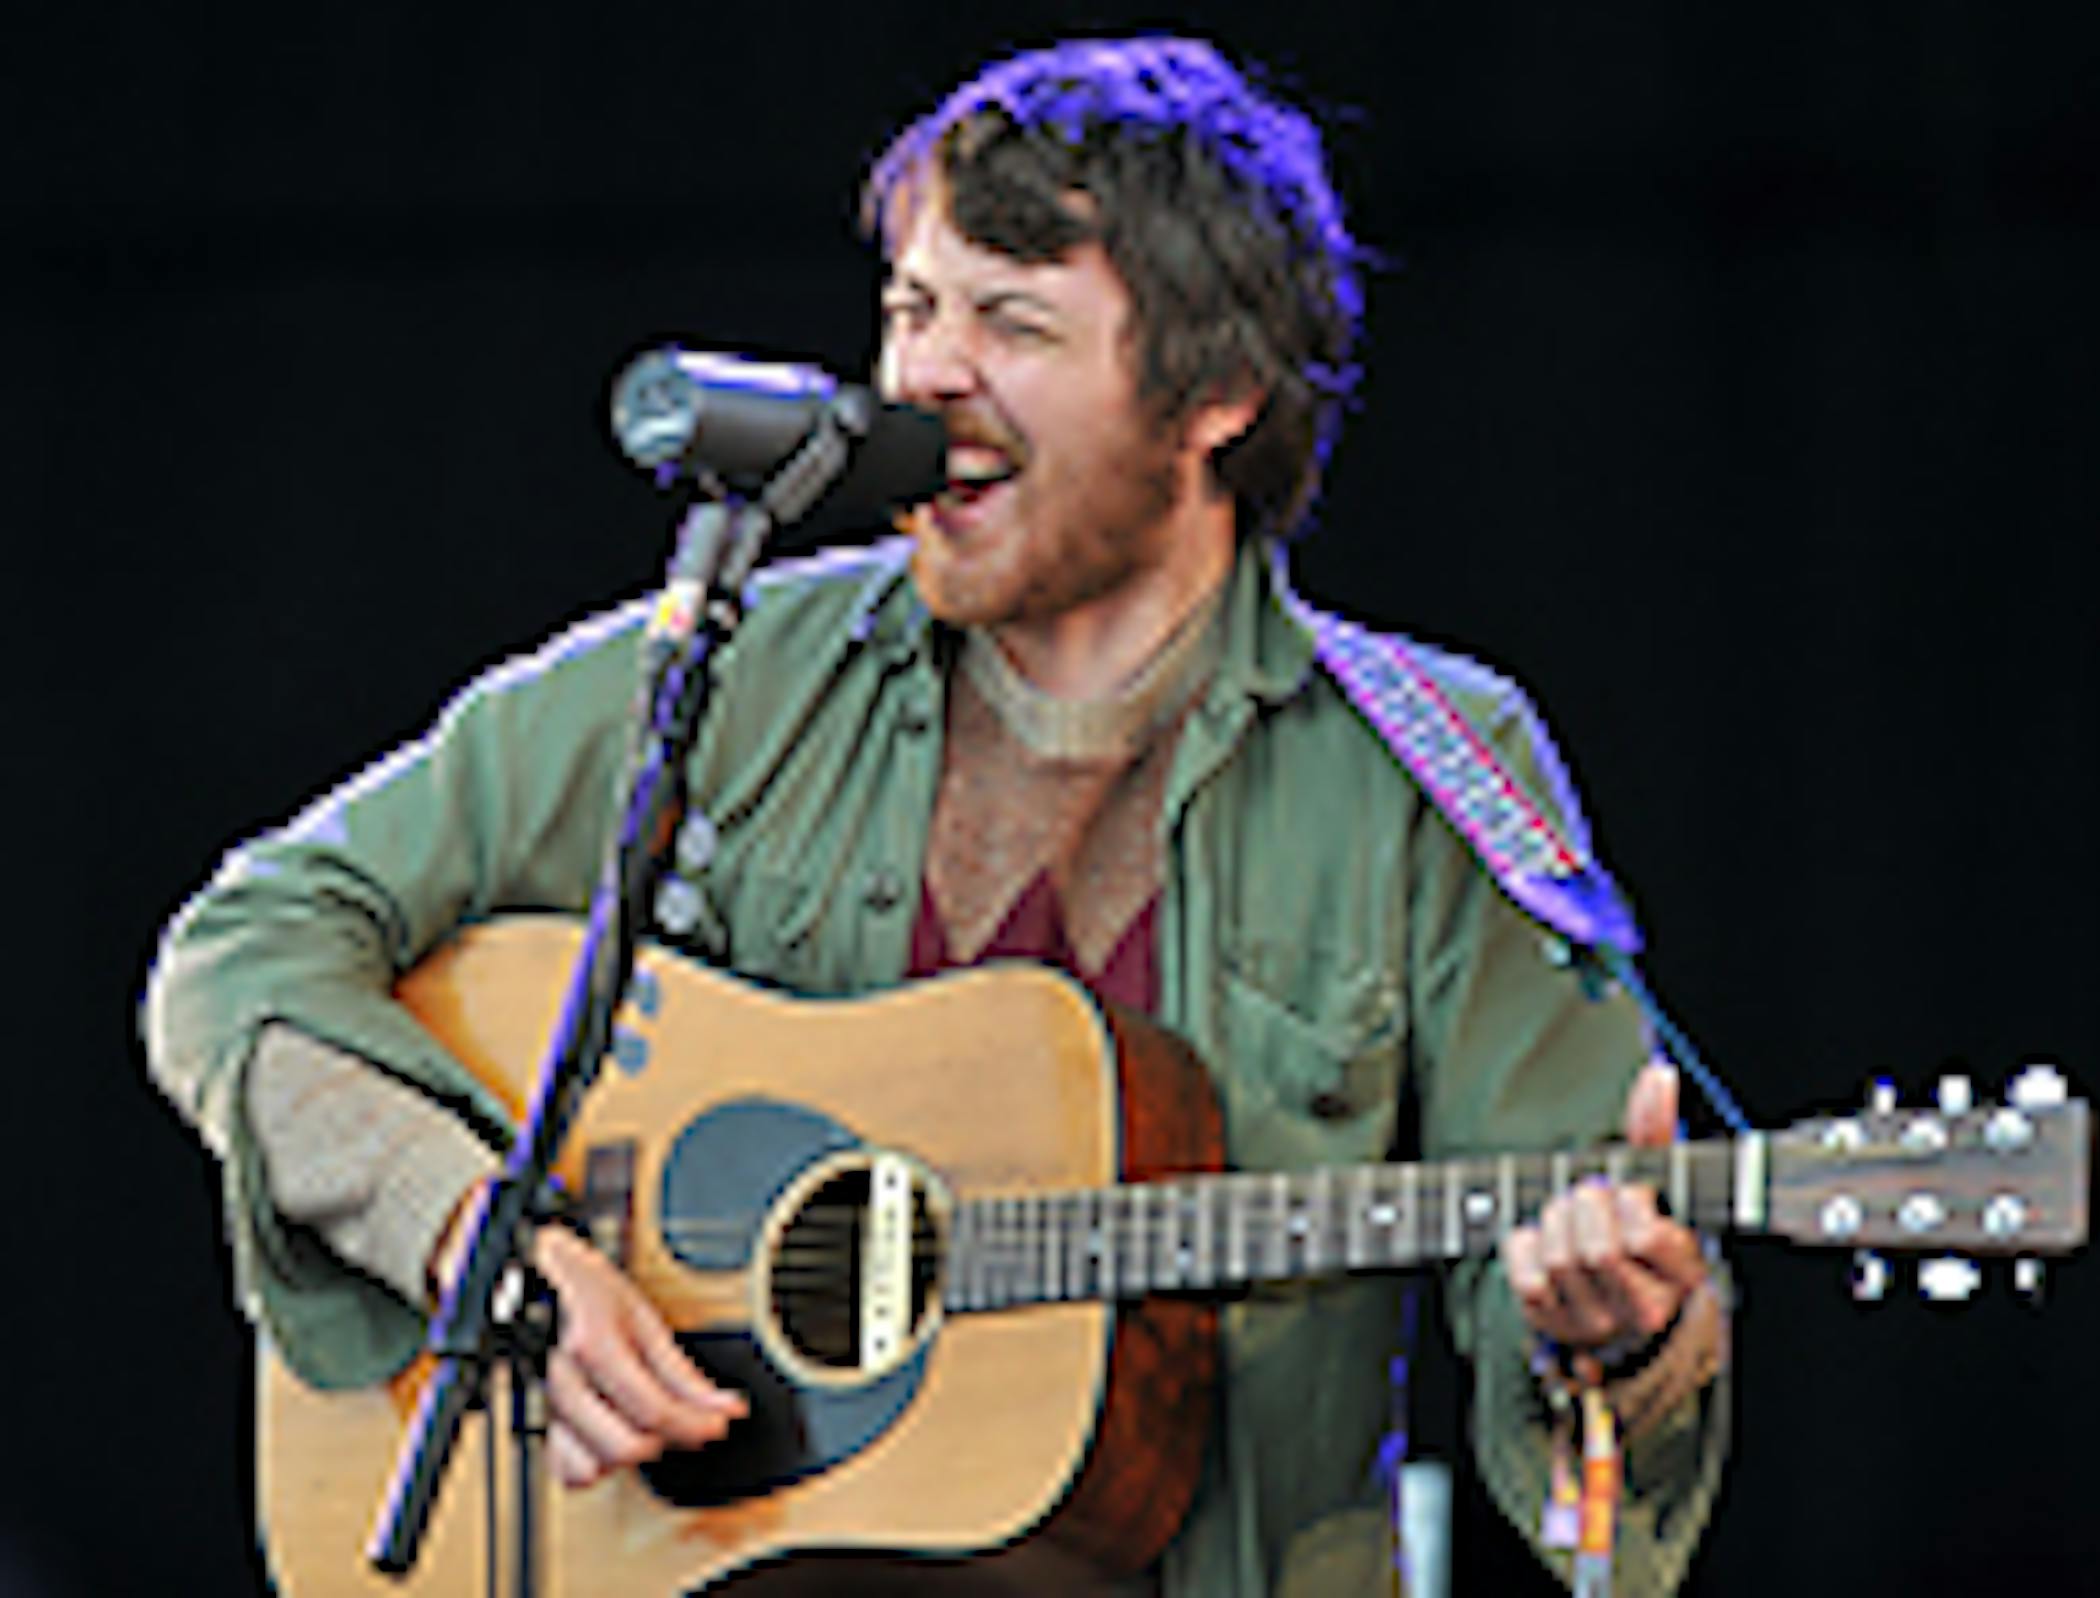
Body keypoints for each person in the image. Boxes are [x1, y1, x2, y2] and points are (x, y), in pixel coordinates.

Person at [144, 36, 1729, 1596]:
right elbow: (239, 956)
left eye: (1012, 320)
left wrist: (1624, 1343)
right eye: (911, 306)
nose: (921, 373)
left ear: (1219, 391)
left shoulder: (1431, 761)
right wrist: (471, 1235)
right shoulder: (738, 667)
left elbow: (1589, 1478)